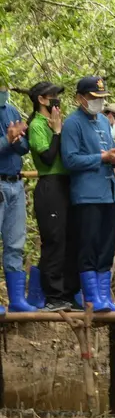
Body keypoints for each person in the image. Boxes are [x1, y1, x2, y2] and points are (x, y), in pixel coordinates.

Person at [61, 76, 115, 312]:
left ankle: (104, 297)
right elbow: (70, 159)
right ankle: (91, 298)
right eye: (93, 98)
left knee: (106, 247)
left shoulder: (102, 120)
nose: (98, 102)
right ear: (80, 98)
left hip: (109, 193)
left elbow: (107, 152)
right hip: (87, 195)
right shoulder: (72, 123)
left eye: (101, 98)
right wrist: (102, 158)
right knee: (88, 246)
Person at [26, 81, 81, 312]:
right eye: (53, 96)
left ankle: (69, 292)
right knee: (54, 240)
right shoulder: (37, 125)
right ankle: (53, 294)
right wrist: (57, 132)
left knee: (71, 239)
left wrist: (61, 129)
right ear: (41, 99)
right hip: (50, 184)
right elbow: (47, 158)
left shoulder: (59, 122)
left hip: (67, 184)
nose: (57, 100)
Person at [0, 85, 36, 313]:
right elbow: (8, 141)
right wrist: (8, 138)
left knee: (15, 244)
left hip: (15, 183)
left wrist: (19, 138)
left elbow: (23, 148)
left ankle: (17, 299)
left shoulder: (12, 111)